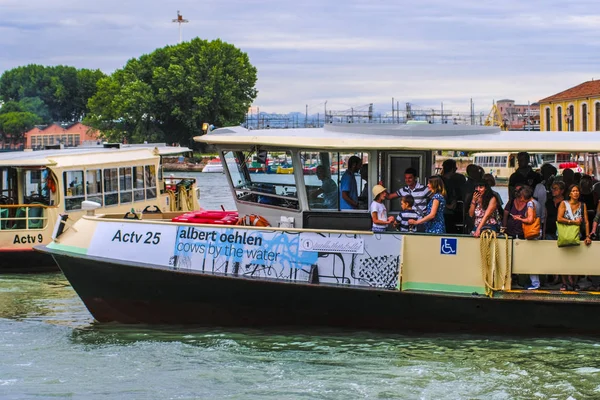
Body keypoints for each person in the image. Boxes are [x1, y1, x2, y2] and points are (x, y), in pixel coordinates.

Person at [557, 184, 592, 291]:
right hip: (564, 234)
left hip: (577, 235)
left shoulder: (582, 205)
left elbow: (586, 222)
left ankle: (575, 282)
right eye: (573, 191)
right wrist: (573, 222)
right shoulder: (564, 204)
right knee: (564, 258)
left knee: (577, 258)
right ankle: (564, 283)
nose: (576, 193)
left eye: (577, 191)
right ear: (569, 193)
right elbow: (559, 218)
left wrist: (587, 236)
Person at [441, 159, 466, 234]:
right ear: (453, 169)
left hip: (448, 211)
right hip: (447, 211)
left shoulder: (440, 179)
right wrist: (448, 205)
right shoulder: (447, 181)